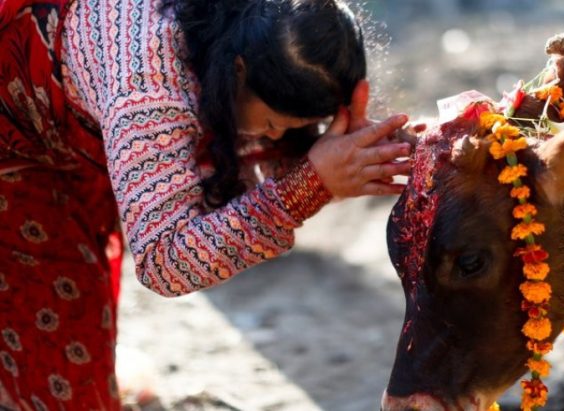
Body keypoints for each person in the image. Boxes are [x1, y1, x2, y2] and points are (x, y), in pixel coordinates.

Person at [0, 0, 415, 408]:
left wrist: (348, 152)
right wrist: (307, 186)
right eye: (272, 124)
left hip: (66, 135)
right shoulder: (148, 92)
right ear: (237, 70)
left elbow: (237, 157)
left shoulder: (251, 21)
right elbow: (164, 259)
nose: (273, 139)